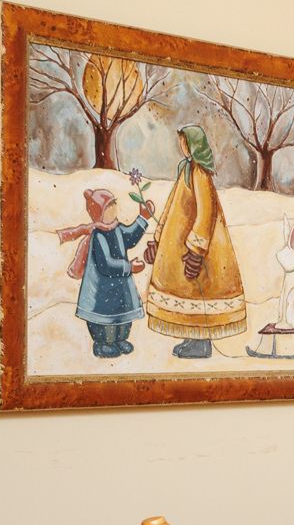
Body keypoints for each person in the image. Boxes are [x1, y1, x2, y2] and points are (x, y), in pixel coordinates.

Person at [143, 125, 247, 357]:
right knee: (189, 293)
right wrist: (157, 240)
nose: (181, 146)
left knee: (200, 290)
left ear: (193, 145)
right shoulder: (186, 170)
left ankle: (201, 343)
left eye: (184, 141)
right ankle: (192, 338)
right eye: (181, 141)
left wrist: (197, 250)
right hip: (180, 244)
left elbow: (206, 212)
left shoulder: (200, 173)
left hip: (199, 248)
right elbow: (172, 207)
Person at [58, 187, 153, 357]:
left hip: (119, 287)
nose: (114, 208)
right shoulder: (99, 236)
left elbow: (130, 237)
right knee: (104, 320)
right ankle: (103, 343)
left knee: (122, 316)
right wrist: (129, 267)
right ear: (99, 212)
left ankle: (120, 339)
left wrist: (143, 218)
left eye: (114, 203)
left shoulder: (117, 228)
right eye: (109, 206)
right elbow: (106, 264)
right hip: (101, 290)